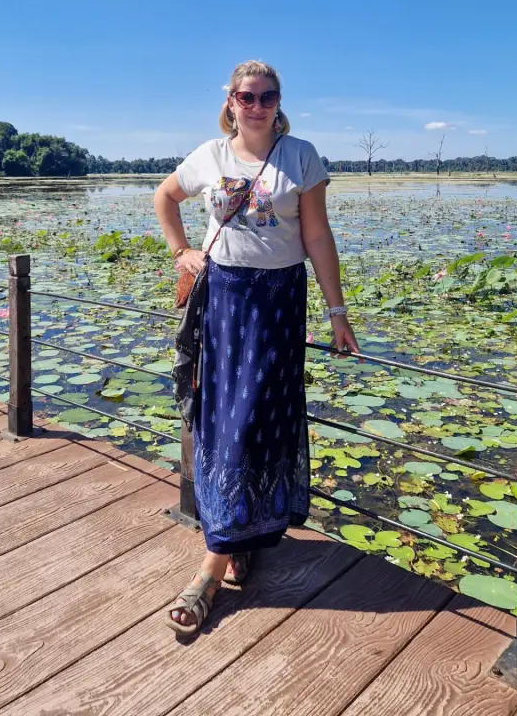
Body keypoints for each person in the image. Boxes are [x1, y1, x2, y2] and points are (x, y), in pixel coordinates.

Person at [153, 59, 359, 636]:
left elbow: (316, 235)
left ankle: (223, 554)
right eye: (247, 97)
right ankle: (220, 558)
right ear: (231, 101)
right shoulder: (210, 157)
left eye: (267, 96)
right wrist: (181, 253)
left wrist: (337, 311)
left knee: (260, 421)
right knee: (225, 422)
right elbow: (164, 198)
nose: (258, 105)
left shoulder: (301, 156)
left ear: (279, 101)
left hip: (278, 304)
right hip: (224, 301)